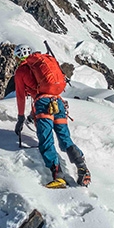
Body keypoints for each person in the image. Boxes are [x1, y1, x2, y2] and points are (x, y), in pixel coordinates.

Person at [13, 44, 91, 188]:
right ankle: (82, 167)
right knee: (65, 138)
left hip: (43, 104)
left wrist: (20, 118)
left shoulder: (21, 71)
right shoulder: (40, 64)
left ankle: (58, 176)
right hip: (58, 102)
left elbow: (20, 97)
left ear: (18, 57)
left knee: (46, 139)